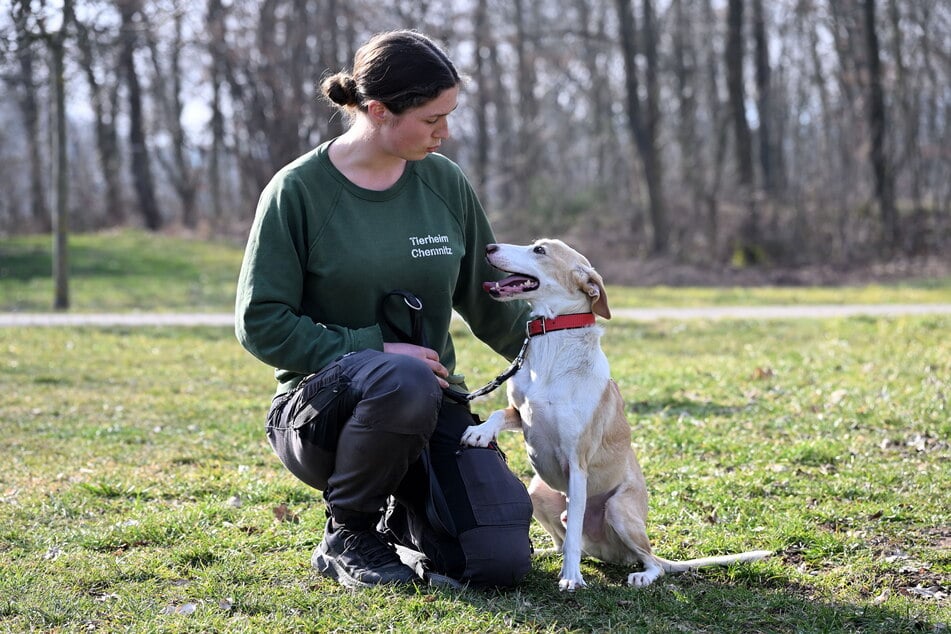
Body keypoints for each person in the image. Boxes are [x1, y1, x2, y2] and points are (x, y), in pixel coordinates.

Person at [235, 30, 533, 589]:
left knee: (498, 564)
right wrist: (371, 347)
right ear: (377, 110)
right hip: (320, 417)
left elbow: (488, 299)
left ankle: (407, 524)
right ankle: (349, 531)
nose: (444, 133)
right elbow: (260, 322)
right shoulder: (295, 191)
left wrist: (561, 351)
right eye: (431, 119)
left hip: (429, 410)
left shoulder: (445, 183)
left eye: (449, 115)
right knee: (402, 376)